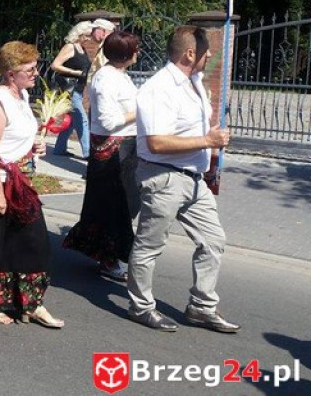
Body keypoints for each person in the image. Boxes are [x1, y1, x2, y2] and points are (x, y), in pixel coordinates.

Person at [126, 26, 237, 333]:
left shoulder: (195, 82)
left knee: (213, 240)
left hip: (195, 180)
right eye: (206, 50)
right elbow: (157, 142)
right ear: (190, 53)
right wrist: (207, 141)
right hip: (163, 178)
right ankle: (141, 307)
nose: (210, 55)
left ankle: (202, 307)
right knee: (150, 245)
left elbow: (190, 129)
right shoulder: (159, 89)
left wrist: (209, 151)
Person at [0, 41, 63, 328]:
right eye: (30, 69)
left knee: (34, 244)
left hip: (20, 182)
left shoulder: (22, 96)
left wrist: (34, 146)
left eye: (35, 67)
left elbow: (15, 138)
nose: (36, 73)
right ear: (10, 73)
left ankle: (30, 302)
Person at [62, 30, 141, 282]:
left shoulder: (120, 75)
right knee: (112, 206)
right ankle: (109, 258)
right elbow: (107, 121)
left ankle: (111, 252)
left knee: (125, 203)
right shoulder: (106, 79)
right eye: (135, 49)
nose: (139, 53)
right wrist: (142, 110)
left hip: (125, 146)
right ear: (126, 54)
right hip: (112, 150)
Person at [50, 21, 93, 158]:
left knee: (72, 121)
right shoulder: (70, 47)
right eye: (87, 35)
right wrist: (75, 73)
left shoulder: (82, 49)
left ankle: (59, 149)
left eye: (90, 36)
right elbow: (55, 65)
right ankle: (88, 153)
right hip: (69, 90)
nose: (89, 39)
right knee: (82, 119)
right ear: (79, 34)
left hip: (78, 90)